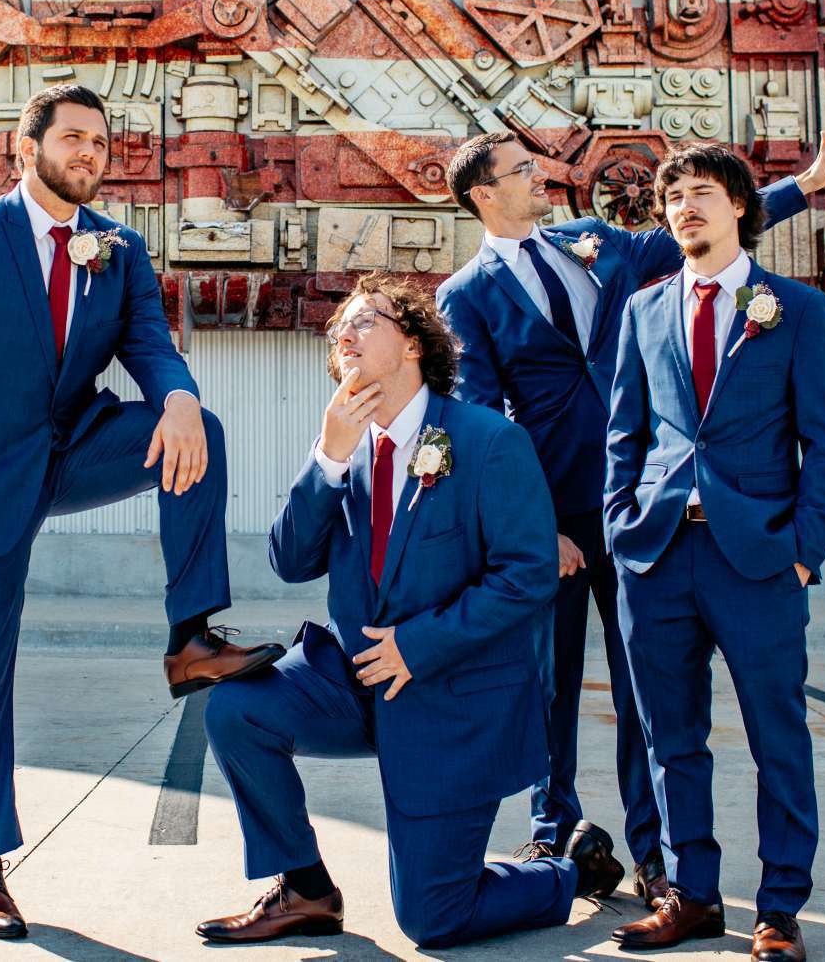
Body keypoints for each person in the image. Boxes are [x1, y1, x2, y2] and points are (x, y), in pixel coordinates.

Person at [0, 83, 284, 939]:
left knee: (198, 430)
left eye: (101, 143)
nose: (90, 154)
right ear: (26, 149)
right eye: (73, 139)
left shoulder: (118, 247)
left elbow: (146, 341)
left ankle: (191, 638)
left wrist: (176, 394)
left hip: (77, 446)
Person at [433, 127, 825, 896]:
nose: (541, 176)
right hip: (553, 518)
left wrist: (809, 182)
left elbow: (701, 232)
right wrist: (532, 530)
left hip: (642, 516)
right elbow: (481, 423)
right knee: (550, 681)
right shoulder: (466, 296)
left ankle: (654, 857)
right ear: (484, 194)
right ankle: (550, 828)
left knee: (648, 698)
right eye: (522, 170)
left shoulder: (596, 241)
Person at [196, 275, 616, 948]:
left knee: (432, 918)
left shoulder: (488, 440)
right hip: (353, 681)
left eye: (366, 320)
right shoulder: (346, 445)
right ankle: (306, 889)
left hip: (450, 698)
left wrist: (417, 645)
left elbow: (529, 573)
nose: (346, 334)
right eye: (340, 330)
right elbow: (289, 559)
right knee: (234, 708)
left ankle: (567, 870)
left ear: (414, 344)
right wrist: (327, 456)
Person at [603, 143, 825, 961]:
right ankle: (692, 896)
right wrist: (620, 525)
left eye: (702, 193)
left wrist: (805, 553)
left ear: (740, 205)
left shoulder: (797, 309)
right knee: (669, 736)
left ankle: (779, 907)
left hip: (759, 559)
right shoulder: (644, 309)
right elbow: (625, 434)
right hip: (658, 554)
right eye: (674, 198)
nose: (685, 209)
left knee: (777, 735)